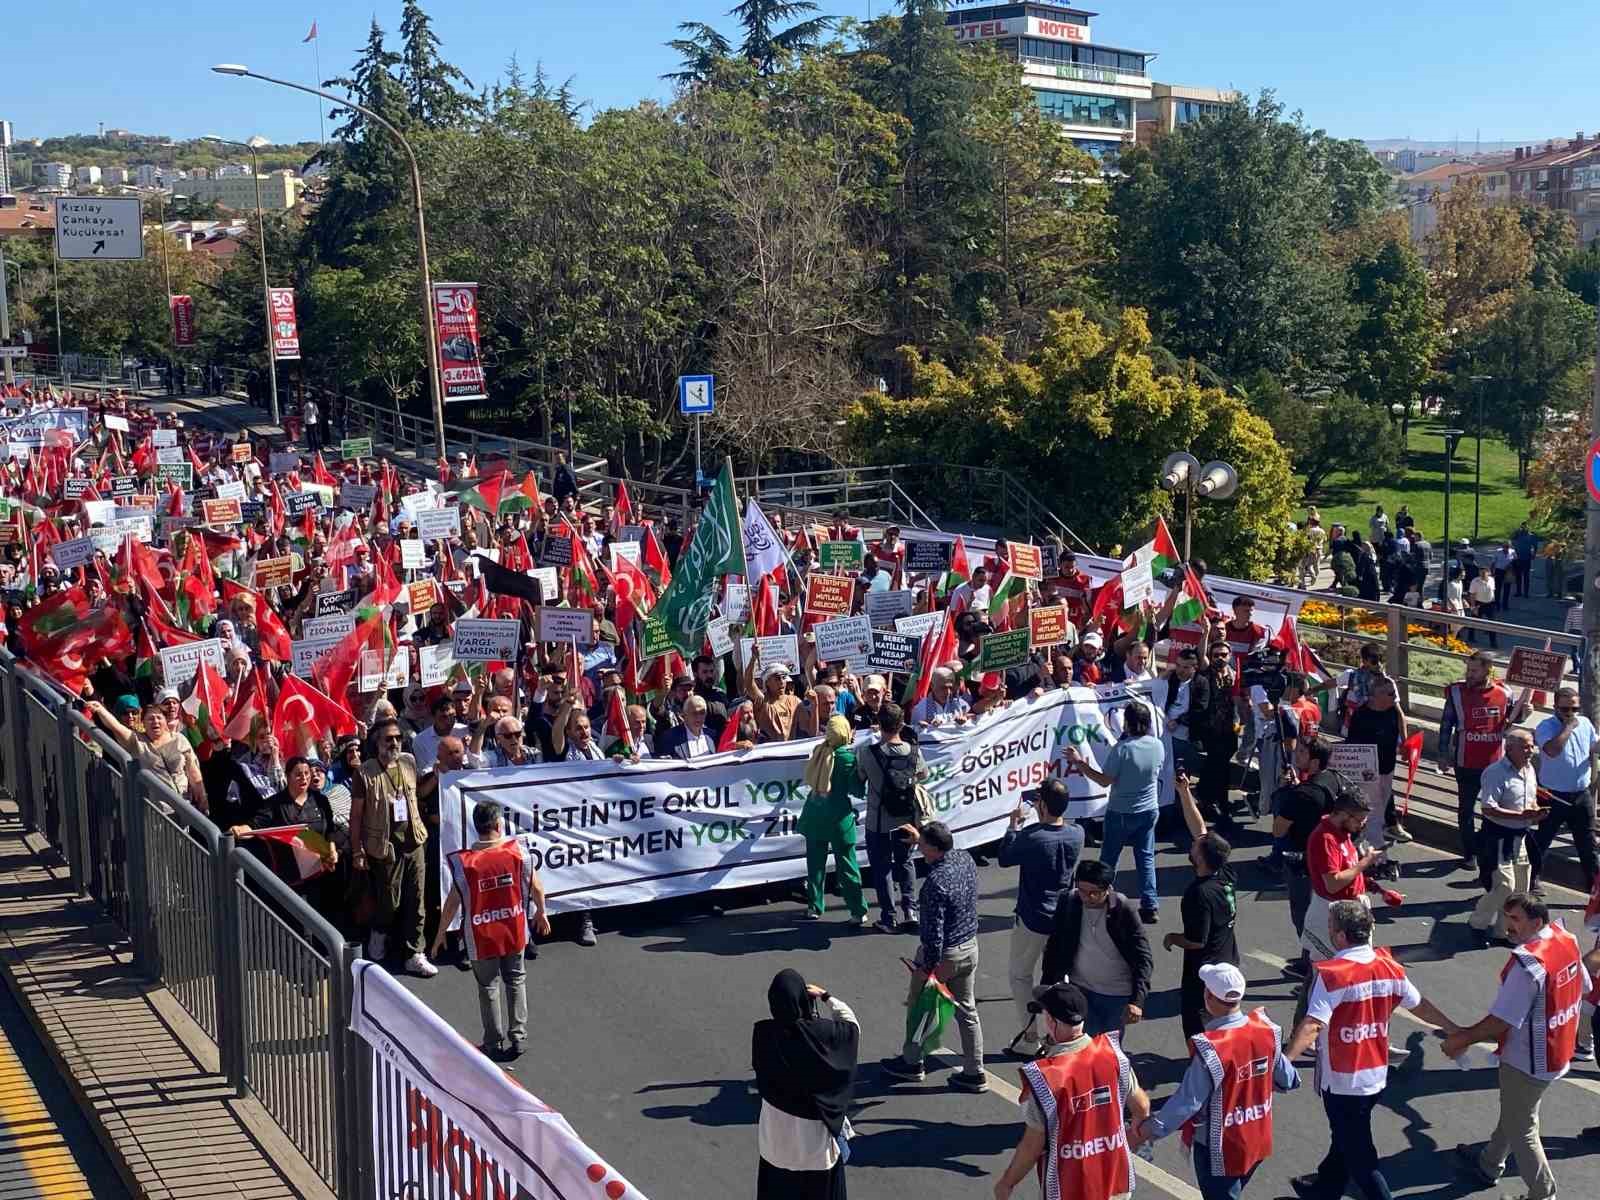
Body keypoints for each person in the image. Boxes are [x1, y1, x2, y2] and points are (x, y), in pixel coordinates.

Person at [1284, 901, 1456, 1200]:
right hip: (1374, 1076)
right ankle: (1325, 1190)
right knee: (1346, 1138)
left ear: (1339, 936)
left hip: (1342, 1081)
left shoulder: (1332, 974)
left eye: (1330, 926)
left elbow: (1313, 1024)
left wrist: (1284, 1061)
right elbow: (1421, 1006)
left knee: (1361, 1159)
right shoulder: (1389, 966)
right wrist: (1455, 1029)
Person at [1444, 892, 1591, 1200]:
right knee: (1515, 1111)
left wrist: (1462, 1038)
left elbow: (1501, 1021)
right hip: (1558, 1050)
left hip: (1528, 1059)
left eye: (1515, 920)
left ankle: (1543, 1193)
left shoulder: (1528, 964)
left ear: (1536, 921)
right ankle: (1489, 1163)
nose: (1507, 926)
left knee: (1523, 1127)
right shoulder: (1566, 939)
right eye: (1506, 917)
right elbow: (1584, 986)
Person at [1131, 963, 1299, 1200]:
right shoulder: (1266, 1030)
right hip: (1257, 1139)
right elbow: (1289, 1080)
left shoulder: (1212, 1048)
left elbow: (1187, 1103)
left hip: (1221, 1149)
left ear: (1208, 996)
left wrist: (1143, 1132)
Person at [992, 981, 1151, 1200]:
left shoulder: (1046, 1078)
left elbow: (1032, 1145)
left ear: (1051, 1021)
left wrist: (1007, 1183)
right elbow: (1141, 1107)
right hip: (1114, 1180)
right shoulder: (1113, 1055)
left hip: (1070, 1187)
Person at [431, 801, 550, 1061]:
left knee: (488, 987)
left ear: (477, 828)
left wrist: (441, 933)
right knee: (516, 980)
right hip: (514, 930)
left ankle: (492, 1042)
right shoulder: (517, 852)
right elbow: (537, 887)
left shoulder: (466, 863)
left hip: (481, 937)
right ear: (499, 825)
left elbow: (453, 901)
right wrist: (541, 912)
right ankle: (518, 1037)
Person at [881, 822, 987, 1092]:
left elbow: (933, 934)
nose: (919, 849)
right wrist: (922, 839)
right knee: (967, 1011)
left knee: (920, 1007)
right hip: (969, 947)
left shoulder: (933, 886)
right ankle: (975, 1071)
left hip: (945, 956)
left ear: (932, 847)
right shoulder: (964, 858)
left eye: (922, 845)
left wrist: (926, 968)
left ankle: (912, 1063)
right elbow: (944, 866)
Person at [752, 970, 860, 1200]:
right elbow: (851, 1027)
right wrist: (825, 996)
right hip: (816, 1152)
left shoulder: (763, 1035)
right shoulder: (823, 1035)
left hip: (775, 1146)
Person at [1000, 779, 1085, 1056]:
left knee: (1020, 976)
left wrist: (1014, 826)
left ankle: (1030, 1037)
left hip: (1034, 917)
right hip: (1063, 916)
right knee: (1059, 978)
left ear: (1043, 805)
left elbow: (1005, 857)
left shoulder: (1034, 836)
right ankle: (1063, 1033)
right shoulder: (1077, 833)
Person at [349, 717, 437, 977]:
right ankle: (379, 934)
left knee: (417, 899)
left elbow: (418, 794)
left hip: (414, 841)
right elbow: (356, 816)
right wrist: (357, 850)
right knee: (390, 900)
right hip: (384, 847)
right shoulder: (364, 772)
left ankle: (415, 953)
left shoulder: (408, 762)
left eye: (398, 738)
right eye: (389, 739)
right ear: (377, 742)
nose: (395, 743)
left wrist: (437, 773)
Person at [1068, 702, 1163, 922]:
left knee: (1109, 860)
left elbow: (1104, 780)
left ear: (1127, 723)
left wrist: (1079, 763)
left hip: (1121, 811)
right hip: (1148, 809)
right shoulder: (1157, 745)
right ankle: (1150, 905)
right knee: (1146, 858)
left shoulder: (1122, 749)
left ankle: (1102, 901)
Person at [1040, 859, 1153, 1038]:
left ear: (1108, 888)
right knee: (1082, 1047)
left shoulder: (1122, 908)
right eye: (1083, 891)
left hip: (1116, 993)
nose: (1088, 897)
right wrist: (1047, 985)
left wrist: (1137, 1000)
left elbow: (1143, 957)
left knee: (1108, 1050)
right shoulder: (1069, 901)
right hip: (1080, 989)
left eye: (1095, 892)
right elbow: (1054, 945)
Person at [1438, 651, 1528, 870]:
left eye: (1474, 670)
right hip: (1465, 763)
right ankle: (1470, 854)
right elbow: (1446, 724)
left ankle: (1488, 850)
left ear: (1488, 670)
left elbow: (1512, 718)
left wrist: (1525, 713)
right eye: (1468, 669)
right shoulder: (1456, 692)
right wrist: (1443, 754)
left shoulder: (1505, 692)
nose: (1469, 674)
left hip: (1495, 765)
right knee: (1466, 811)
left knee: (1494, 811)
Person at [1470, 729, 1546, 944]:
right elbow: (1488, 808)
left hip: (1520, 836)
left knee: (1521, 888)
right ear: (1509, 748)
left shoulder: (1529, 770)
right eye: (1524, 747)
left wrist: (1536, 811)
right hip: (1498, 838)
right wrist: (1520, 815)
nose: (1530, 751)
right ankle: (1477, 924)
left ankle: (1503, 931)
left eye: (1531, 746)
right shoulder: (1495, 773)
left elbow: (1528, 801)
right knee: (1504, 886)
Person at [1272, 737, 1341, 966]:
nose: (1296, 755)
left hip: (1303, 862)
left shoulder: (1302, 794)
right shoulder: (1332, 779)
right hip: (1330, 859)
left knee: (1302, 914)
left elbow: (1278, 829)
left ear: (1314, 762)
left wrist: (1286, 792)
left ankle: (1312, 960)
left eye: (1301, 752)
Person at [856, 702, 925, 933]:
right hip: (907, 817)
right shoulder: (914, 750)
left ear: (879, 724)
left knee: (882, 868)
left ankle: (889, 917)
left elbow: (860, 776)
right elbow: (923, 774)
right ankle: (911, 911)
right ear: (902, 723)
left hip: (879, 820)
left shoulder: (867, 753)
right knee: (905, 862)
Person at [1163, 832, 1240, 1038]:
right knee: (1226, 1016)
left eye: (1195, 846)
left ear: (1200, 858)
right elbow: (1204, 833)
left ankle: (1202, 1062)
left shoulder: (1198, 894)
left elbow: (1196, 941)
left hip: (1205, 969)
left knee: (1196, 1023)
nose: (1191, 845)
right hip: (1228, 958)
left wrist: (1172, 937)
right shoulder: (1226, 874)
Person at [798, 717, 871, 926]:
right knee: (847, 865)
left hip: (814, 814)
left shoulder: (819, 751)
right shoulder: (847, 758)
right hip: (839, 818)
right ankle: (858, 910)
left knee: (815, 864)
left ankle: (814, 906)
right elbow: (857, 790)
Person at [1531, 685, 1599, 893]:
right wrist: (1568, 727)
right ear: (1555, 708)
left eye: (1575, 709)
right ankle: (1532, 878)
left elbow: (1594, 746)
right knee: (1542, 839)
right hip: (1553, 795)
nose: (1571, 714)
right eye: (1565, 709)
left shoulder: (1585, 723)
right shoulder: (1546, 727)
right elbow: (1552, 750)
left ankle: (1594, 887)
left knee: (1587, 844)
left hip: (1580, 794)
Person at [1343, 677, 1407, 880]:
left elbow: (1400, 720)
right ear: (1375, 695)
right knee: (1374, 815)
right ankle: (1378, 857)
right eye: (1389, 693)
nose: (1394, 697)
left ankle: (1364, 851)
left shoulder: (1391, 710)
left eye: (1393, 693)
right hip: (1368, 774)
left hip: (1387, 769)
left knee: (1378, 813)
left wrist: (1405, 744)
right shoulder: (1362, 715)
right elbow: (1353, 745)